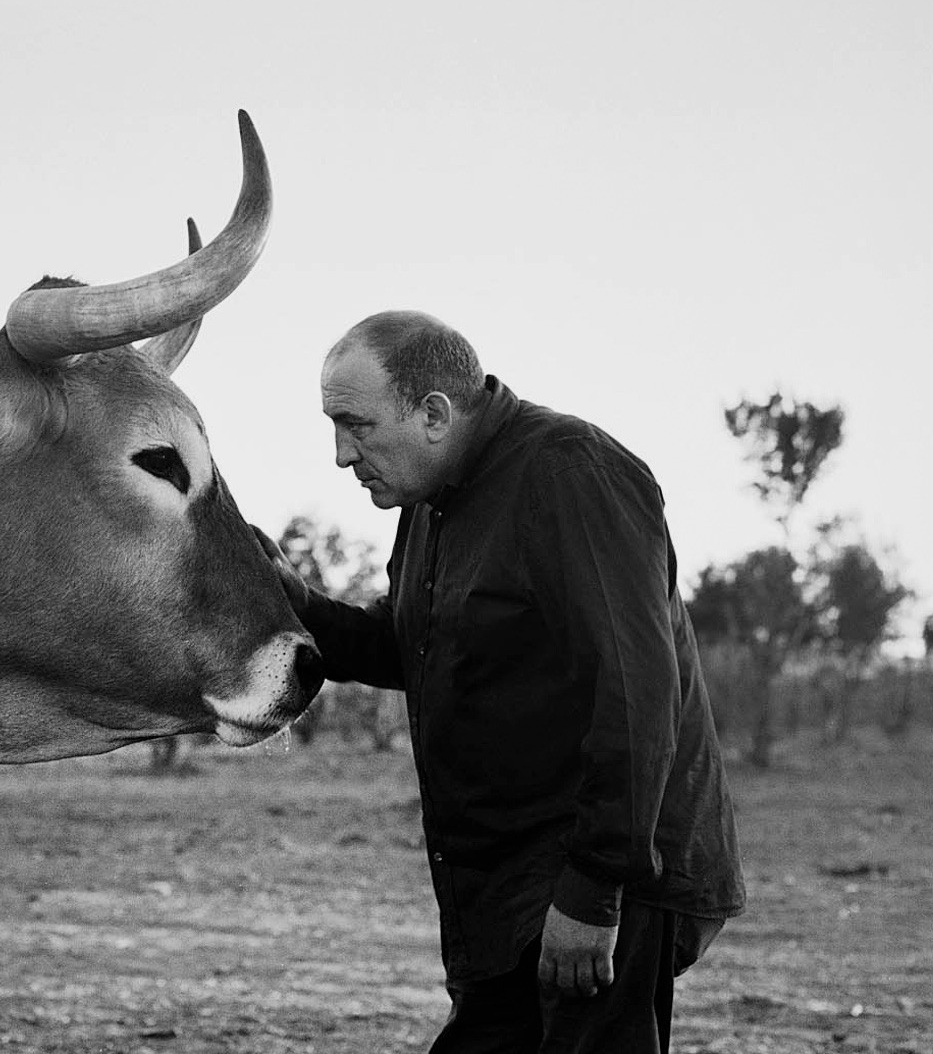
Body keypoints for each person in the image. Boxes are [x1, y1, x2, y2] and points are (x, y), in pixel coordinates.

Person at [262, 310, 744, 1053]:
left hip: (604, 874)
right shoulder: (433, 500)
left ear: (434, 414)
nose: (340, 454)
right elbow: (416, 648)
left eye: (356, 426)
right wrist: (296, 603)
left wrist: (593, 891)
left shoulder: (572, 473)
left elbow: (637, 690)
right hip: (510, 884)